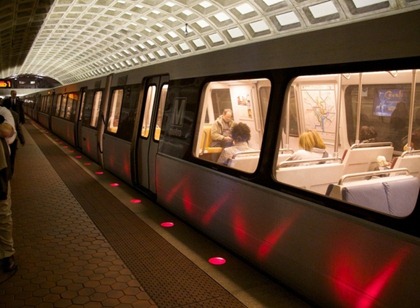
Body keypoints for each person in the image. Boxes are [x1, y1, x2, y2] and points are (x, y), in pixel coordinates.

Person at [0, 106, 17, 273]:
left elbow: (8, 133)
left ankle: (7, 254)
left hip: (1, 171)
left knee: (3, 213)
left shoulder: (3, 112)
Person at [2, 102, 25, 177]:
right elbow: (18, 128)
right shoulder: (15, 114)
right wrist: (22, 139)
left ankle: (7, 173)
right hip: (13, 140)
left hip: (4, 141)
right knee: (11, 158)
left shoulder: (3, 113)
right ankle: (10, 173)